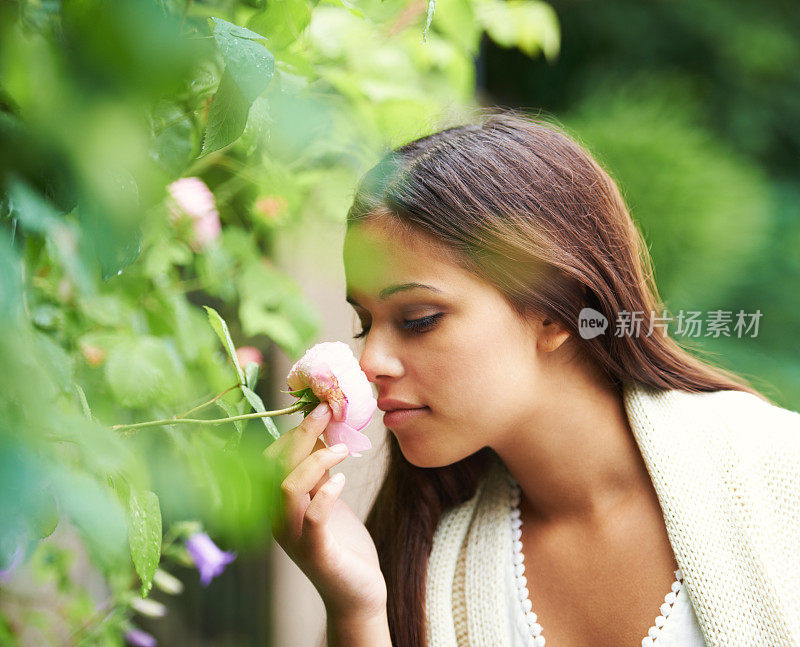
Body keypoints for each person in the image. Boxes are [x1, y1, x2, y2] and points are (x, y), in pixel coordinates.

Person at [267, 108, 800, 647]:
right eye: (365, 323)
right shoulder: (419, 554)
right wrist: (357, 610)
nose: (370, 361)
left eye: (418, 319)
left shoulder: (779, 475)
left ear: (555, 311)